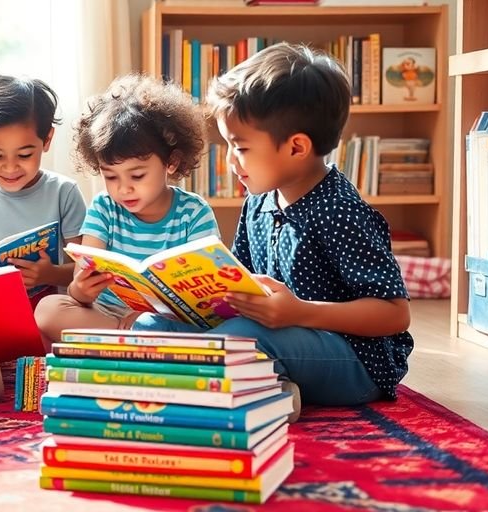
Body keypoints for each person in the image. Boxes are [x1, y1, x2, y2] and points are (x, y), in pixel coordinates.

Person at [136, 43, 414, 422]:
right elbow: (242, 279)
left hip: (357, 361)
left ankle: (246, 393)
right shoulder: (259, 201)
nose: (231, 160)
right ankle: (250, 387)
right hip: (276, 337)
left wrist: (300, 312)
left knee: (238, 338)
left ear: (297, 146)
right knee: (151, 326)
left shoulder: (340, 211)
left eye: (241, 147)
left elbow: (394, 316)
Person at [34, 74, 220, 350]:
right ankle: (141, 346)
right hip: (109, 318)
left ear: (171, 162)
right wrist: (79, 291)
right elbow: (80, 287)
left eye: (137, 175)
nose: (123, 189)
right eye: (111, 177)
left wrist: (154, 319)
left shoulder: (193, 212)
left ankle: (132, 345)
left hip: (168, 323)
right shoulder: (103, 208)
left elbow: (205, 302)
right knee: (47, 309)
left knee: (222, 327)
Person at [0, 72, 87, 304]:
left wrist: (49, 274)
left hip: (49, 311)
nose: (10, 167)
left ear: (47, 140)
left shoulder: (64, 193)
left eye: (25, 154)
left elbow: (83, 269)